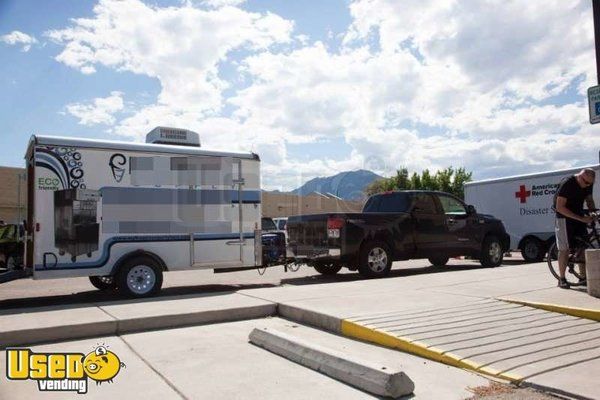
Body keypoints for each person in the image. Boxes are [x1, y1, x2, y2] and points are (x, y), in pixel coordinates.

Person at [553, 168, 596, 289]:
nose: (587, 185)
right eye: (586, 183)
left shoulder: (588, 183)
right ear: (580, 177)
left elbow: (589, 199)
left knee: (583, 245)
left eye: (590, 184)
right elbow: (559, 207)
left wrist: (593, 212)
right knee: (564, 249)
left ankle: (583, 277)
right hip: (564, 217)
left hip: (578, 215)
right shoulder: (568, 184)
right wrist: (580, 218)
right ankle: (562, 279)